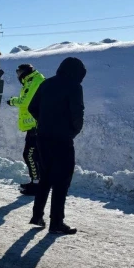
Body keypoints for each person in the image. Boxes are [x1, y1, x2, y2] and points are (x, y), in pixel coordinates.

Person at [28, 57, 86, 235]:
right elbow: (77, 113)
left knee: (45, 177)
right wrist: (72, 131)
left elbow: (32, 107)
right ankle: (56, 223)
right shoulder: (74, 86)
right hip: (62, 140)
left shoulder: (46, 84)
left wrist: (44, 122)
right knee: (61, 182)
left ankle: (37, 215)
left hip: (42, 137)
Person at [7, 63, 46, 196]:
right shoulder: (33, 80)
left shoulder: (34, 81)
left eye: (19, 73)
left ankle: (37, 184)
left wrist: (12, 101)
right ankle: (37, 182)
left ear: (25, 72)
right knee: (35, 155)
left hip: (36, 125)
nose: (18, 76)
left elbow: (25, 101)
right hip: (35, 125)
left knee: (29, 154)